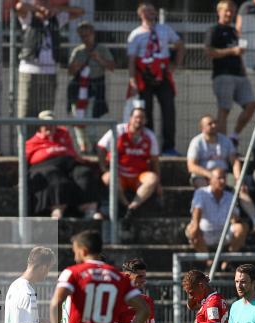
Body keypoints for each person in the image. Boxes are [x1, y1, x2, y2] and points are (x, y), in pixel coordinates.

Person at [187, 114, 255, 231]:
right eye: (210, 124)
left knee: (241, 188)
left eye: (215, 123)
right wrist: (210, 175)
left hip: (223, 174)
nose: (214, 125)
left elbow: (234, 161)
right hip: (203, 175)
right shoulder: (196, 142)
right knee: (204, 191)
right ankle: (199, 221)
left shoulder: (225, 140)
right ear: (202, 127)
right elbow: (191, 166)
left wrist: (239, 179)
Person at [127, 2, 184, 156]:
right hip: (144, 75)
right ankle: (150, 145)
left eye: (152, 11)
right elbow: (132, 60)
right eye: (146, 11)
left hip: (163, 75)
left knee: (168, 110)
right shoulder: (135, 34)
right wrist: (132, 79)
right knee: (146, 112)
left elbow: (179, 45)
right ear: (140, 14)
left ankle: (169, 146)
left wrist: (175, 65)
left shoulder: (165, 29)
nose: (150, 13)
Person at [28, 110, 103, 219]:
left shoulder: (63, 134)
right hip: (45, 166)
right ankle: (57, 209)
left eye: (52, 124)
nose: (50, 126)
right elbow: (26, 161)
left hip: (68, 164)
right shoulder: (32, 142)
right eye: (46, 124)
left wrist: (80, 160)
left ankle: (89, 209)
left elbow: (72, 151)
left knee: (83, 172)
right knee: (54, 175)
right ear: (40, 126)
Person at [205, 1, 255, 143]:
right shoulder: (214, 30)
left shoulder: (234, 31)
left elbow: (238, 53)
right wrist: (231, 51)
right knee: (224, 109)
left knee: (251, 104)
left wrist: (243, 69)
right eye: (227, 10)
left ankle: (233, 136)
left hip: (239, 75)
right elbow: (209, 51)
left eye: (232, 11)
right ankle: (222, 144)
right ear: (219, 11)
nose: (229, 14)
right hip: (223, 74)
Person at [96, 107, 160, 219]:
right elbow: (101, 147)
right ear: (130, 119)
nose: (139, 120)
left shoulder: (150, 136)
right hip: (119, 173)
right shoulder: (118, 131)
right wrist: (103, 168)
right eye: (136, 117)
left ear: (146, 121)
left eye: (142, 118)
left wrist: (159, 182)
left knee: (153, 179)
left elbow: (155, 160)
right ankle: (126, 204)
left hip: (139, 175)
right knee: (108, 177)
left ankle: (133, 205)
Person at [68, 21, 114, 152]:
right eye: (82, 36)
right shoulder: (78, 51)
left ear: (93, 34)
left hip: (95, 87)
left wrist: (99, 59)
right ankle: (82, 146)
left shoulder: (102, 49)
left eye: (87, 35)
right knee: (78, 117)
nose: (85, 38)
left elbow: (111, 66)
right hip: (79, 89)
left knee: (91, 117)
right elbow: (70, 72)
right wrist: (76, 66)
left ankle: (93, 145)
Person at [185, 168, 250, 257]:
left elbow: (235, 217)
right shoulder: (201, 193)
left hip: (224, 233)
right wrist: (195, 227)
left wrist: (235, 219)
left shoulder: (230, 196)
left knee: (242, 228)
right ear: (210, 180)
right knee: (191, 230)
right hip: (205, 233)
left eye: (224, 178)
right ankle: (209, 262)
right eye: (219, 178)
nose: (222, 181)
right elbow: (197, 211)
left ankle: (227, 261)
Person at [15, 1, 63, 119]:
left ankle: (44, 137)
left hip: (50, 71)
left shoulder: (55, 20)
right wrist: (38, 9)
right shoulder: (29, 18)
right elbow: (19, 6)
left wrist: (56, 8)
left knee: (46, 112)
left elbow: (79, 11)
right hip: (29, 70)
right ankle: (25, 136)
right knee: (26, 110)